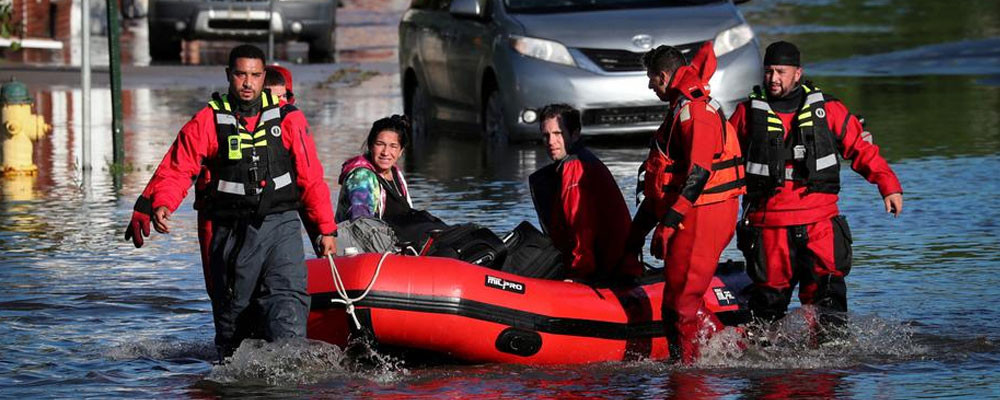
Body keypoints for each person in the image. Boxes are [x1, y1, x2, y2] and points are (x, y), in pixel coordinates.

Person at [123, 44, 337, 359]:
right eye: (240, 75)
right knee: (235, 323)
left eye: (254, 75)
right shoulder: (208, 120)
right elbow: (178, 168)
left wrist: (325, 229)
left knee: (288, 305)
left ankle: (291, 377)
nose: (247, 83)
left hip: (282, 227)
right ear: (229, 75)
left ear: (264, 77)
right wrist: (163, 203)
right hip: (232, 233)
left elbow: (311, 178)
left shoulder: (290, 119)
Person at [728, 41, 903, 342]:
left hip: (820, 223)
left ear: (798, 73)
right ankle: (766, 377)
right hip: (770, 227)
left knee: (829, 305)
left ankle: (830, 374)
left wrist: (888, 186)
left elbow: (861, 149)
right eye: (768, 72)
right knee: (766, 309)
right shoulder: (746, 114)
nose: (773, 79)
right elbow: (721, 159)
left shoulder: (829, 110)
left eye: (781, 72)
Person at [623, 43, 745, 363]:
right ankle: (734, 352)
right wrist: (637, 234)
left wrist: (668, 223)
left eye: (651, 79)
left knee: (680, 304)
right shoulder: (681, 106)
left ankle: (686, 377)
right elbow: (666, 180)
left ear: (663, 76)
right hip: (695, 210)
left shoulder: (695, 111)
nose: (650, 86)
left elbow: (699, 172)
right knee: (682, 298)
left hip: (703, 212)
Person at [526, 103, 641, 282]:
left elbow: (581, 227)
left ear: (575, 134)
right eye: (546, 135)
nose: (551, 142)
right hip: (613, 266)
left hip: (610, 273)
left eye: (558, 134)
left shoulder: (575, 167)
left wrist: (578, 275)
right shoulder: (577, 163)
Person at [336, 115, 413, 223]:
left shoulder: (395, 172)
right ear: (370, 145)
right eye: (380, 144)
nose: (385, 152)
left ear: (400, 151)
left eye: (393, 146)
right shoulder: (361, 178)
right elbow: (361, 224)